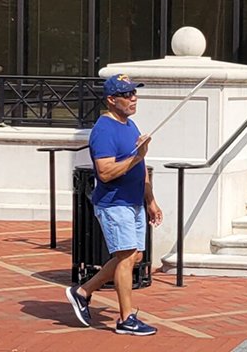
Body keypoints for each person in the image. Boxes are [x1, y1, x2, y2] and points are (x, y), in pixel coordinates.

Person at [65, 74, 163, 336]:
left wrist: (150, 199)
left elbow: (140, 167)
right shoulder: (104, 130)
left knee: (134, 256)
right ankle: (126, 318)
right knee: (127, 256)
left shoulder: (129, 125)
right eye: (127, 94)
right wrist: (136, 157)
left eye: (134, 93)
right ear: (111, 99)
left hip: (134, 201)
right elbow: (105, 172)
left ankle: (83, 291)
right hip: (114, 203)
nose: (133, 98)